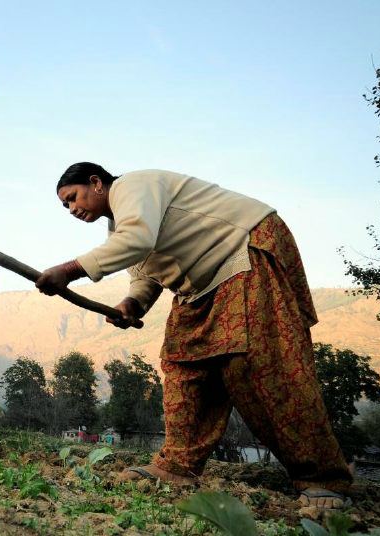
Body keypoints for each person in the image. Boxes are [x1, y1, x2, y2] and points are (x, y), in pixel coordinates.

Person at [35, 163, 353, 509]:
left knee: (261, 365)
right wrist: (131, 305)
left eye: (72, 197)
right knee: (182, 364)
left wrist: (68, 271)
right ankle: (178, 465)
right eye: (65, 206)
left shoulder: (134, 187)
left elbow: (137, 240)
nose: (72, 209)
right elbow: (146, 274)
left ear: (96, 183)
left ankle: (322, 478)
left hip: (242, 251)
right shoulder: (119, 229)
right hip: (199, 287)